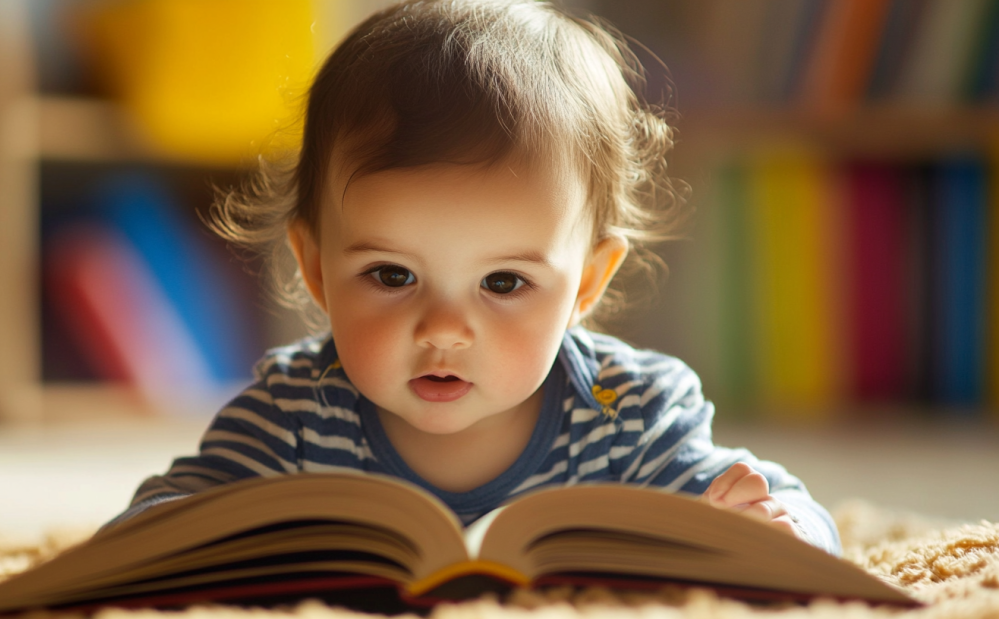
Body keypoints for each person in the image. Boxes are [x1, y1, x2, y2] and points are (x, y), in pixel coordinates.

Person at [112, 0, 840, 555]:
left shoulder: (628, 412)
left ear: (586, 283)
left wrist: (773, 530)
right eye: (392, 274)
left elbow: (787, 514)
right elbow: (153, 524)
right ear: (315, 270)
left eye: (502, 283)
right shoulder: (295, 415)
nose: (443, 329)